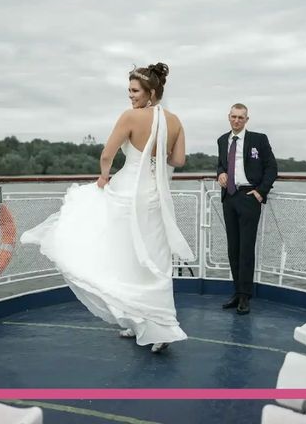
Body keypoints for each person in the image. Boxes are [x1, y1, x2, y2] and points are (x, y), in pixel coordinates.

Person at [21, 62, 192, 352]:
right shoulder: (175, 121)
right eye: (129, 91)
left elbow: (107, 154)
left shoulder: (130, 117)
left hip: (127, 194)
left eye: (135, 90)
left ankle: (139, 318)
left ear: (150, 92)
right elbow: (178, 161)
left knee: (122, 255)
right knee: (154, 258)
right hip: (155, 197)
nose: (130, 96)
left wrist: (103, 177)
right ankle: (147, 324)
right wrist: (156, 154)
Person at [216, 103, 277, 313]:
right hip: (229, 197)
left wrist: (261, 192)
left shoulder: (258, 140)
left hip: (250, 197)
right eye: (233, 117)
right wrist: (220, 174)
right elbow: (221, 164)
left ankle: (245, 297)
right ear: (228, 117)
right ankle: (236, 292)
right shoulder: (223, 140)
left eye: (241, 117)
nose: (236, 120)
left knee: (246, 249)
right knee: (233, 248)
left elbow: (271, 167)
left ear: (247, 120)